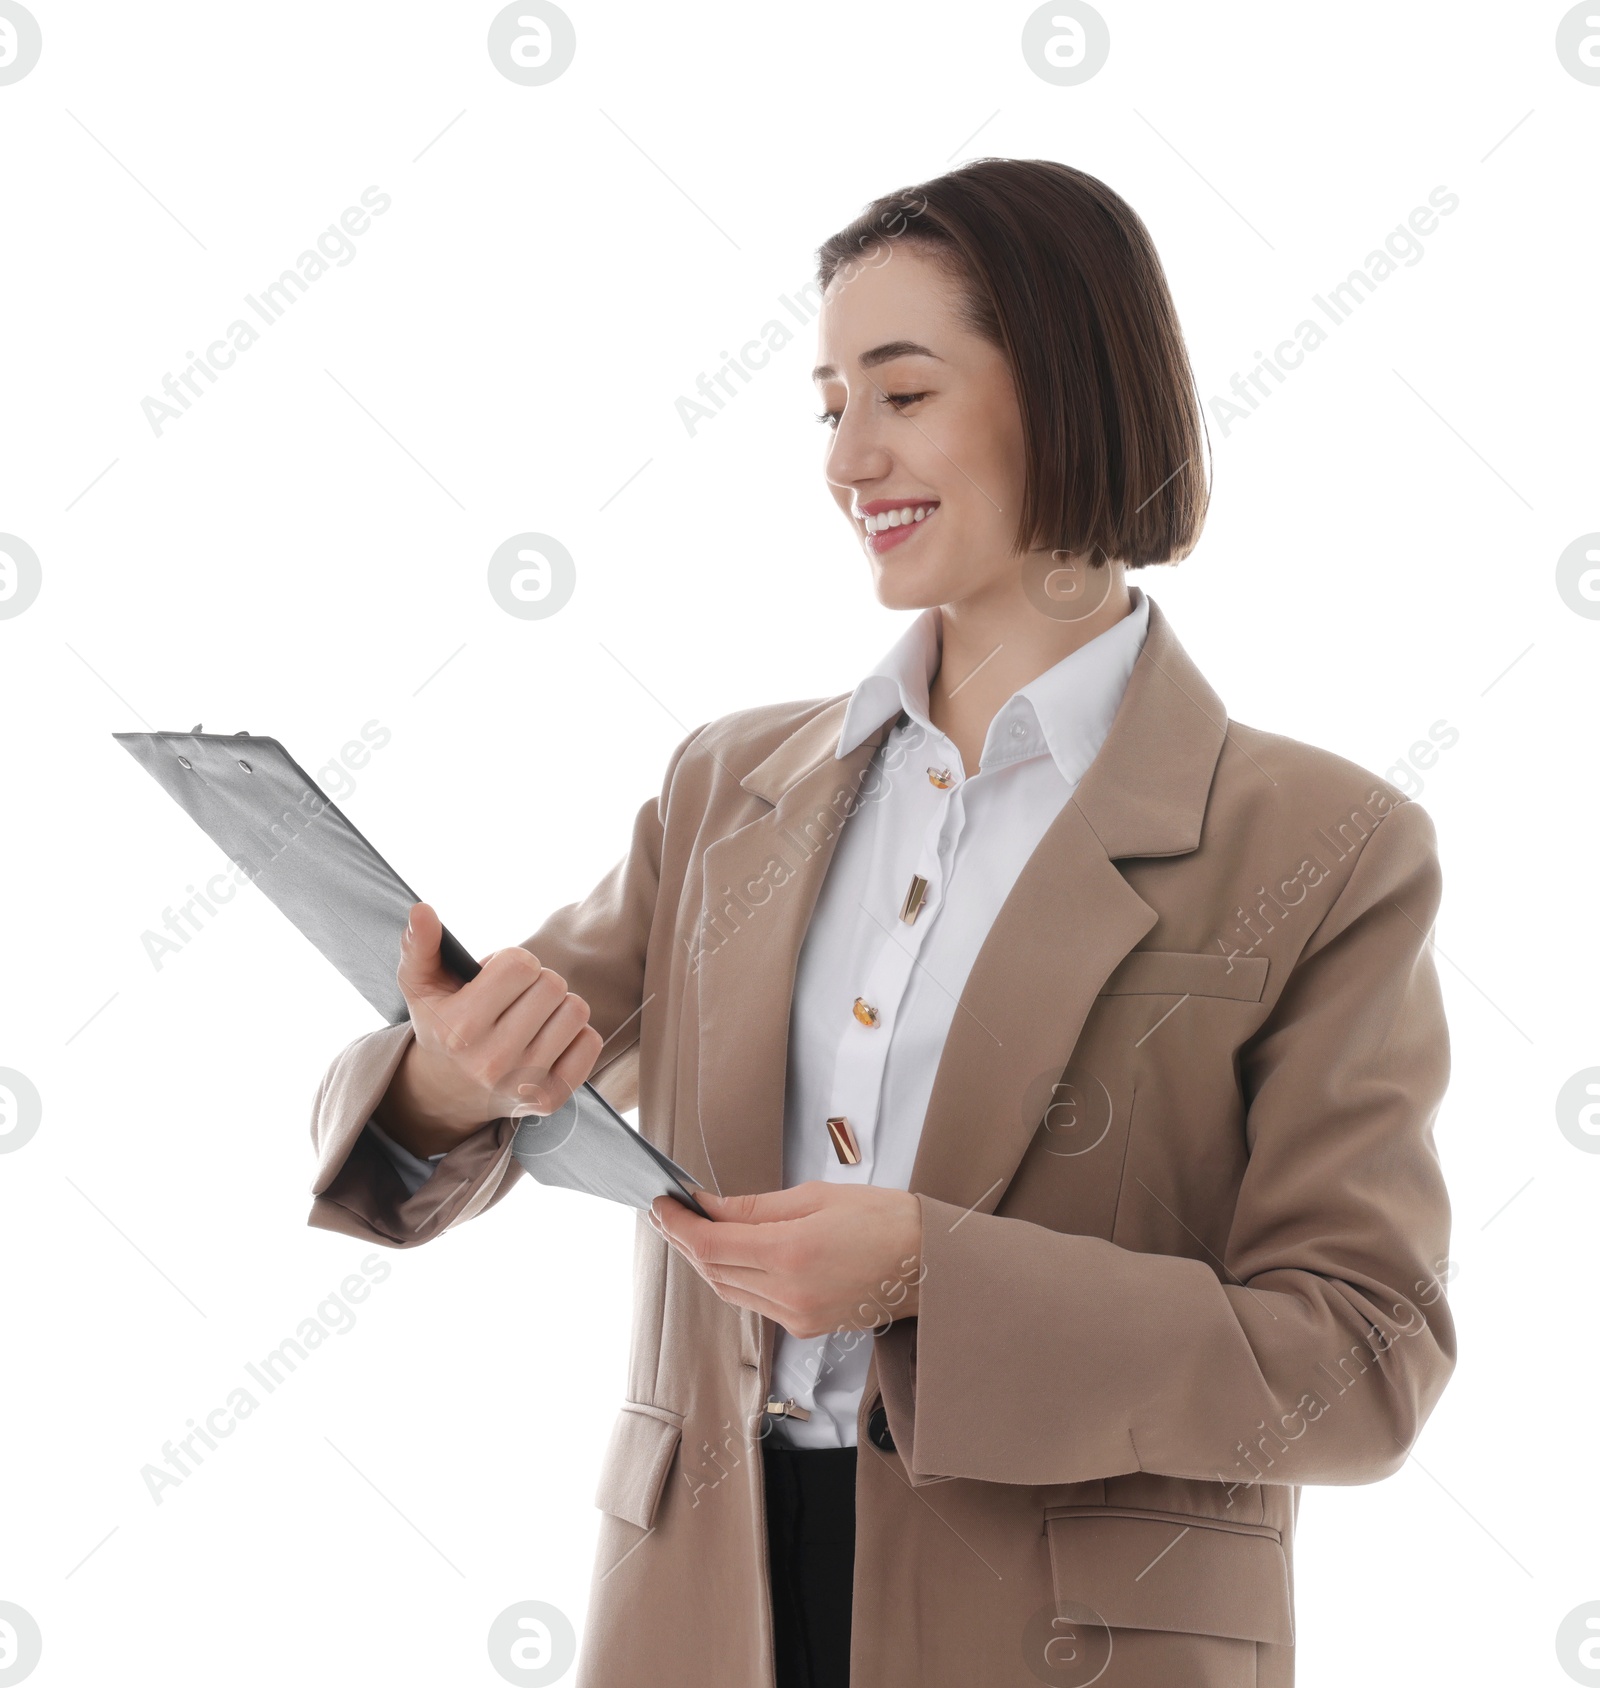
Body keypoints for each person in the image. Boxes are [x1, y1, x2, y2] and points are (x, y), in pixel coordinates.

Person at [307, 158, 1456, 1688]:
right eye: (830, 400)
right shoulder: (731, 788)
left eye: (902, 393)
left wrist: (938, 1275)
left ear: (1063, 389)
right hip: (701, 1614)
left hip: (1072, 1641)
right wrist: (454, 1077)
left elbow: (1362, 1362)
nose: (851, 456)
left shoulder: (1322, 845)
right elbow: (485, 1085)